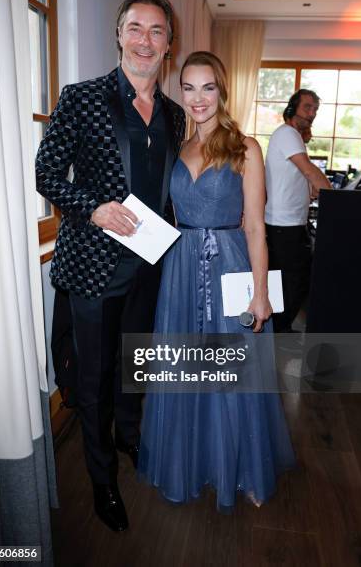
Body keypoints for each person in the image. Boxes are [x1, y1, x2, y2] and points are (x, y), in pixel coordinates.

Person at [35, 0, 185, 531]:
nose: (146, 40)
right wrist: (93, 208)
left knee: (134, 366)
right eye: (136, 28)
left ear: (169, 44)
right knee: (95, 378)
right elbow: (46, 176)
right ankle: (101, 479)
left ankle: (130, 438)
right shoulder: (81, 98)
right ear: (119, 35)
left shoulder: (174, 114)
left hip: (150, 265)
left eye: (157, 31)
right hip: (94, 269)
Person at [138, 51, 295, 511]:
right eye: (188, 87)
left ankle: (241, 469)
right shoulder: (177, 147)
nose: (198, 98)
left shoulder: (246, 147)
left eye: (208, 87)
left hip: (229, 262)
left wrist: (261, 294)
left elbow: (255, 228)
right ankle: (190, 462)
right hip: (181, 269)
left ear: (222, 91)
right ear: (180, 91)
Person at [264, 90, 331, 333]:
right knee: (294, 283)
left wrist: (310, 188)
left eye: (315, 109)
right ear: (293, 108)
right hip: (284, 225)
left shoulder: (292, 136)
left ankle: (281, 329)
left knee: (293, 282)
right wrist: (335, 198)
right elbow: (308, 169)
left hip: (289, 223)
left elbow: (300, 175)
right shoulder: (288, 133)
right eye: (307, 107)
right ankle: (279, 331)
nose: (312, 114)